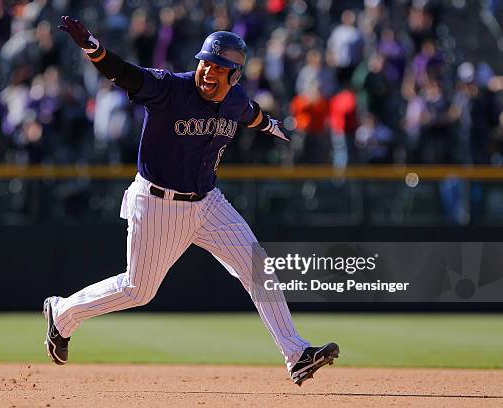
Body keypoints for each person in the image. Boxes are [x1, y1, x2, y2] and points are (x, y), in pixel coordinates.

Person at [43, 16, 339, 386]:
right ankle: (63, 313)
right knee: (139, 290)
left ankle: (297, 355)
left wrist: (274, 127)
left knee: (257, 267)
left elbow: (253, 116)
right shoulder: (170, 88)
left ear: (235, 76)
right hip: (157, 203)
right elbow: (124, 73)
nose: (208, 72)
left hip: (208, 202)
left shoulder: (236, 100)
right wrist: (93, 47)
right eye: (205, 63)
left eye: (219, 68)